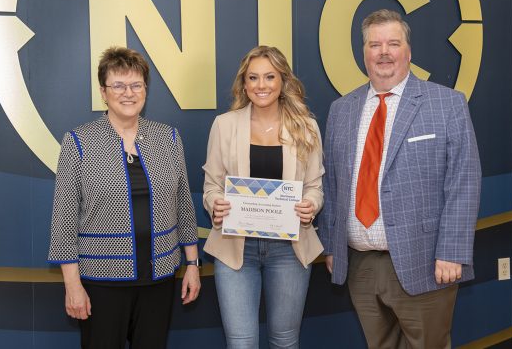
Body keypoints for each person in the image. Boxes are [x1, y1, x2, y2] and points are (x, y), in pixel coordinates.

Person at [318, 9, 481, 348]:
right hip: (359, 262)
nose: (384, 52)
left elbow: (463, 181)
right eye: (374, 44)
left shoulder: (446, 103)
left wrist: (452, 251)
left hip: (425, 261)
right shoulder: (341, 109)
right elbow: (333, 183)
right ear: (363, 53)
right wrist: (333, 245)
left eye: (393, 43)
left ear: (408, 51)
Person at [48, 46, 201, 349]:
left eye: (136, 84)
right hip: (101, 282)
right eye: (118, 85)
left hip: (158, 279)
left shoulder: (167, 138)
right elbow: (64, 221)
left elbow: (183, 205)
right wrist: (72, 285)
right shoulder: (78, 141)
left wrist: (193, 265)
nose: (128, 93)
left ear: (145, 89)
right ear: (103, 92)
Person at [202, 45, 324, 348]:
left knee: (284, 341)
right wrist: (215, 204)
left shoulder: (306, 127)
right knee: (241, 343)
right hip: (235, 251)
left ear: (283, 81)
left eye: (270, 77)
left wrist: (311, 205)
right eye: (253, 78)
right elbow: (211, 186)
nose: (261, 85)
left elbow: (315, 187)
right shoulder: (224, 125)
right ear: (244, 83)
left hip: (289, 251)